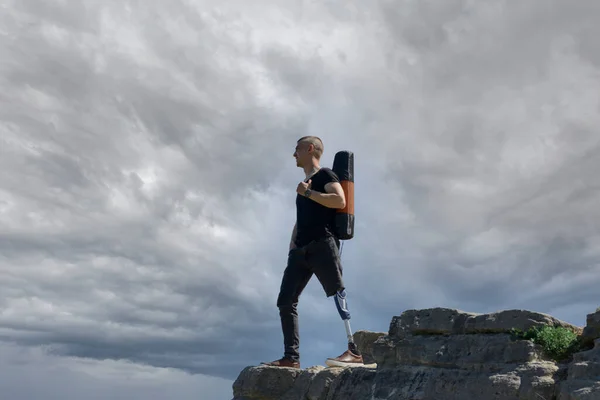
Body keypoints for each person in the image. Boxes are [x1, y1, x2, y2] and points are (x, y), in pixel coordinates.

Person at [261, 136, 363, 369]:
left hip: (322, 244)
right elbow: (302, 219)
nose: (293, 154)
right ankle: (291, 358)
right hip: (300, 251)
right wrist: (292, 244)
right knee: (285, 301)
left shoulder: (325, 175)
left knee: (337, 292)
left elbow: (339, 199)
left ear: (309, 149)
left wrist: (308, 193)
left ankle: (354, 352)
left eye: (296, 149)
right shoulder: (304, 185)